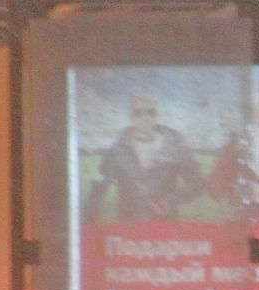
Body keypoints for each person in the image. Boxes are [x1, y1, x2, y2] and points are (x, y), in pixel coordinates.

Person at [86, 94, 202, 222]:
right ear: (131, 117)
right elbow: (97, 190)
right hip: (129, 229)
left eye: (150, 113)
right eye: (138, 113)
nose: (145, 117)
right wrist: (89, 225)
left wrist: (172, 199)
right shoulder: (117, 151)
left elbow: (197, 181)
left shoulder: (174, 146)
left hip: (166, 228)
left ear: (157, 115)